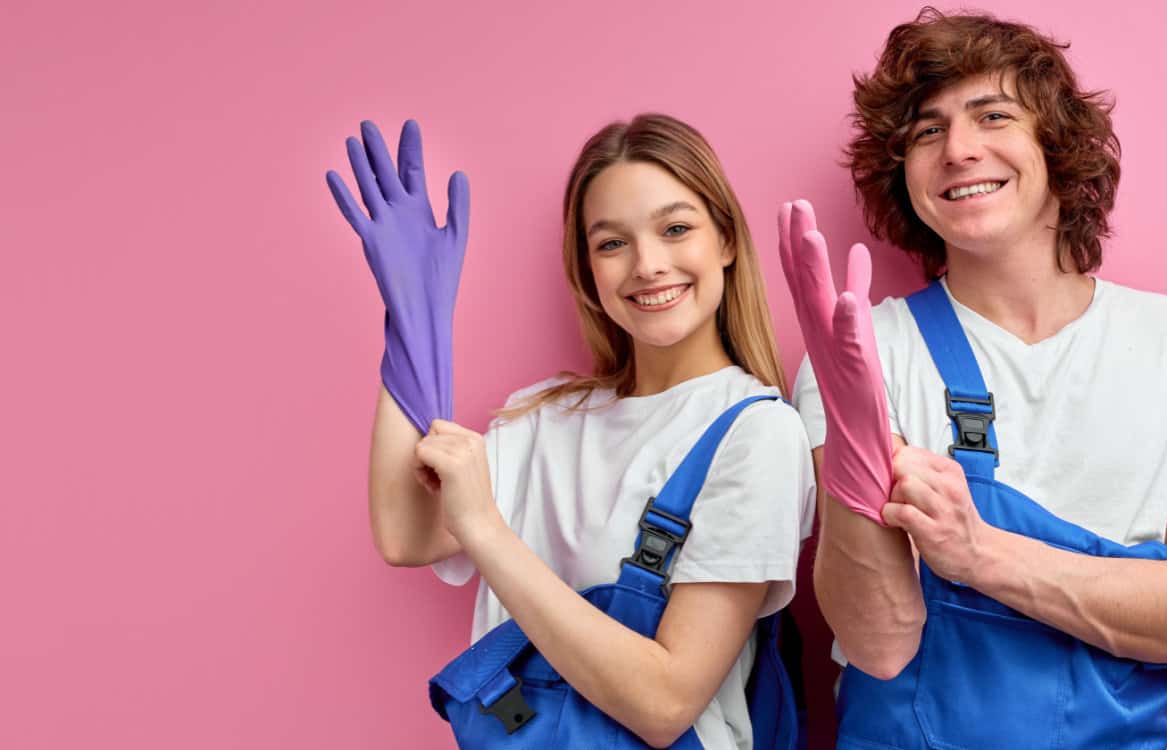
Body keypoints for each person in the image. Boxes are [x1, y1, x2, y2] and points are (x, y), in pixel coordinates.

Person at [782, 9, 1167, 748]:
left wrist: (976, 554)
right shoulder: (861, 349)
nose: (958, 149)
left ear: (1057, 146)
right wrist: (854, 442)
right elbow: (880, 643)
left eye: (993, 116)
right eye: (927, 131)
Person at [327, 113, 814, 749]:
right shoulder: (541, 418)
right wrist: (414, 318)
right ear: (587, 269)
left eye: (675, 229)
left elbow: (666, 703)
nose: (647, 264)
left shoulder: (757, 434)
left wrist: (485, 529)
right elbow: (406, 535)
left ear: (725, 240)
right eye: (612, 243)